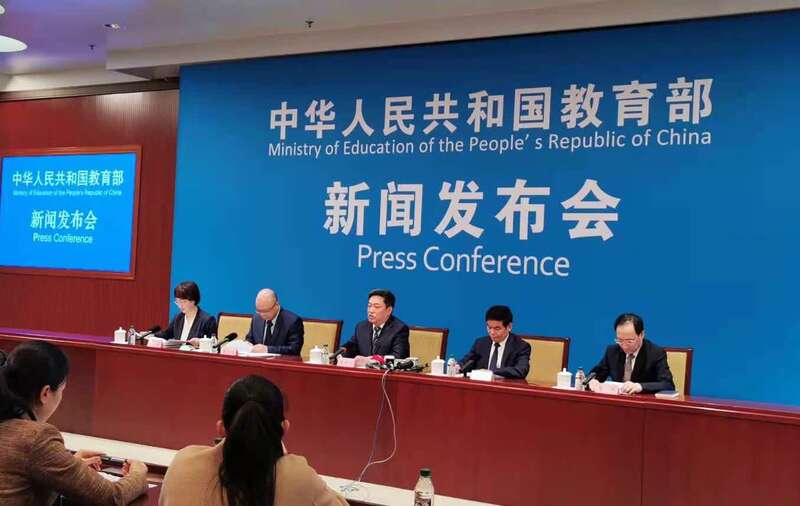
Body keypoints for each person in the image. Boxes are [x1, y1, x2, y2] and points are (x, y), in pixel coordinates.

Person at [159, 375, 346, 506]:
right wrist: (284, 458)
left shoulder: (184, 463)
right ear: (284, 428)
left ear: (221, 428)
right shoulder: (298, 477)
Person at [0, 340, 148, 505]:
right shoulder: (37, 438)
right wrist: (138, 475)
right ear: (45, 393)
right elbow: (111, 497)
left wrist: (67, 467)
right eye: (62, 390)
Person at [588, 313, 675, 394]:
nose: (624, 346)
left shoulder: (655, 353)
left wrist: (640, 386)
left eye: (629, 341)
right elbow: (597, 373)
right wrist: (593, 381)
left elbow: (668, 384)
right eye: (620, 340)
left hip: (641, 402)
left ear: (641, 335)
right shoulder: (612, 351)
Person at [458, 305, 531, 379]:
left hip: (505, 385)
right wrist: (457, 367)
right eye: (489, 328)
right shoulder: (480, 343)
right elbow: (465, 362)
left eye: (497, 328)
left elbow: (521, 370)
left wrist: (490, 372)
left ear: (509, 327)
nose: (492, 332)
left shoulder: (521, 346)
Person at [342, 289, 409, 358]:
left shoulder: (399, 329)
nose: (371, 310)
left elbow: (398, 357)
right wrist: (340, 353)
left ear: (389, 310)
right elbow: (351, 347)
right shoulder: (361, 327)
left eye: (376, 307)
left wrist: (372, 360)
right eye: (369, 306)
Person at [245, 289, 304, 355]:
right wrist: (247, 345)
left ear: (276, 305)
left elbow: (294, 349)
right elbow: (250, 339)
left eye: (266, 311)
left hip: (281, 361)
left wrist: (268, 349)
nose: (262, 314)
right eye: (259, 310)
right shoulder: (256, 318)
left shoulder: (293, 321)